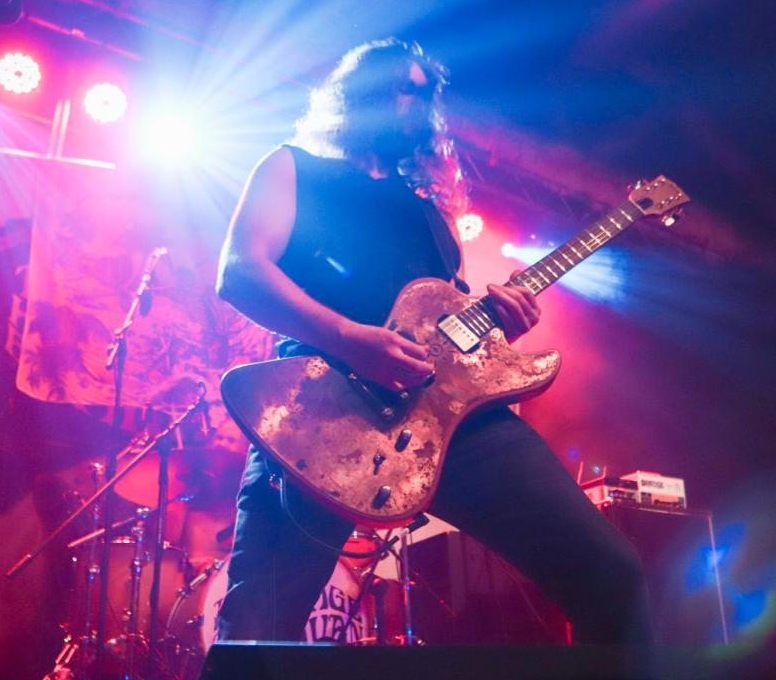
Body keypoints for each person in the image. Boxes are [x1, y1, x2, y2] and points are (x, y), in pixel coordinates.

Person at [212, 38, 651, 647]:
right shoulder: (292, 167)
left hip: (448, 422)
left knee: (611, 573)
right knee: (256, 630)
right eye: (401, 88)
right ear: (357, 93)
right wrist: (349, 337)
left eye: (425, 95)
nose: (415, 104)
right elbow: (240, 273)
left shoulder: (433, 218)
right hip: (321, 408)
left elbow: (452, 339)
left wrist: (499, 327)